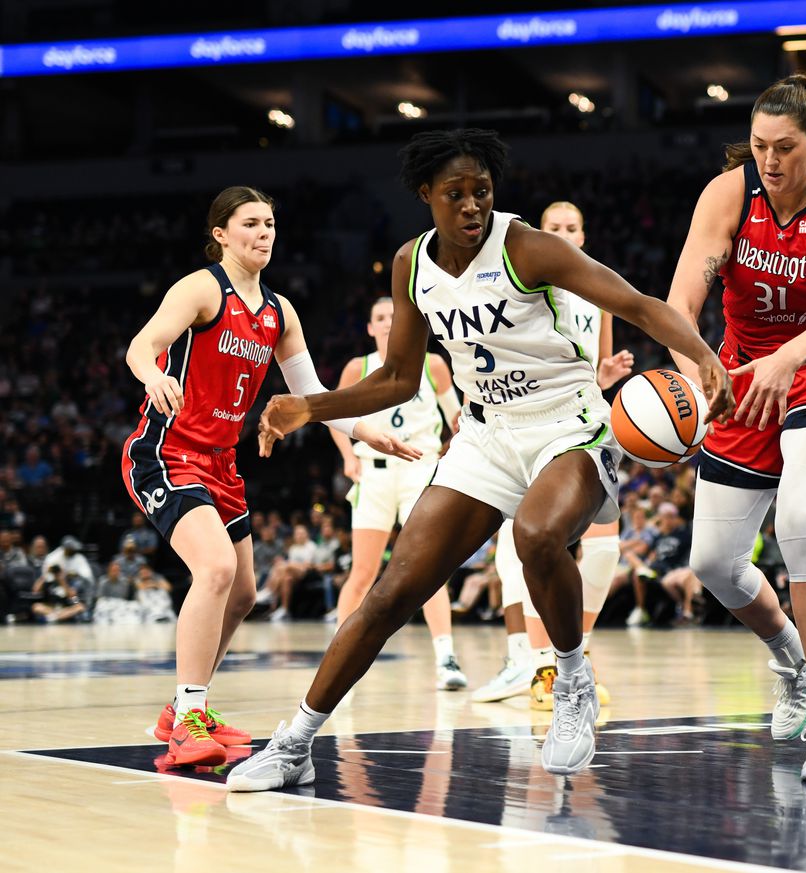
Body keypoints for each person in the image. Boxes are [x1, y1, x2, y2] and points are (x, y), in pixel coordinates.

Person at [226, 128, 730, 789]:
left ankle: (571, 680)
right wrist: (311, 407)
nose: (471, 206)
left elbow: (635, 303)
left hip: (568, 428)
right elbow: (401, 377)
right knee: (389, 591)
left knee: (537, 534)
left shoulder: (527, 246)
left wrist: (703, 356)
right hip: (486, 436)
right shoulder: (411, 265)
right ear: (426, 195)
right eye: (456, 194)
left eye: (482, 192)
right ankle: (295, 743)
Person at [122, 186, 419, 768]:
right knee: (214, 569)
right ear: (221, 235)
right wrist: (151, 376)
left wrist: (367, 430)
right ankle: (187, 716)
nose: (264, 233)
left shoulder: (280, 311)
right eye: (251, 224)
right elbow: (142, 345)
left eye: (270, 224)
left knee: (246, 592)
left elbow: (311, 394)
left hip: (222, 466)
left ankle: (183, 707)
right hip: (167, 452)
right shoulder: (203, 287)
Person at [665, 74, 806, 781]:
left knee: (798, 518)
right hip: (742, 376)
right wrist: (700, 367)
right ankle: (792, 660)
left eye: (784, 147)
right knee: (713, 563)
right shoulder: (728, 192)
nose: (769, 159)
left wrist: (787, 358)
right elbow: (678, 301)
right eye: (759, 146)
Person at [476, 200, 635, 709]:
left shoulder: (599, 293)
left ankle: (575, 655)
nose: (563, 234)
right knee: (526, 547)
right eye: (553, 228)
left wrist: (607, 378)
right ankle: (537, 663)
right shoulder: (520, 286)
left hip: (585, 421)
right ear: (538, 235)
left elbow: (599, 366)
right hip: (524, 423)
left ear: (584, 236)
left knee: (605, 547)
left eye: (572, 227)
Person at [328, 297, 468, 690]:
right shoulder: (359, 368)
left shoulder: (432, 364)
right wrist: (347, 458)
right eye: (380, 318)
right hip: (373, 475)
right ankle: (339, 658)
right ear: (370, 328)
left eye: (394, 316)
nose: (389, 322)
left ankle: (446, 658)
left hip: (418, 472)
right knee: (363, 573)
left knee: (429, 570)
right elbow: (335, 415)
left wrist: (450, 451)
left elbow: (455, 418)